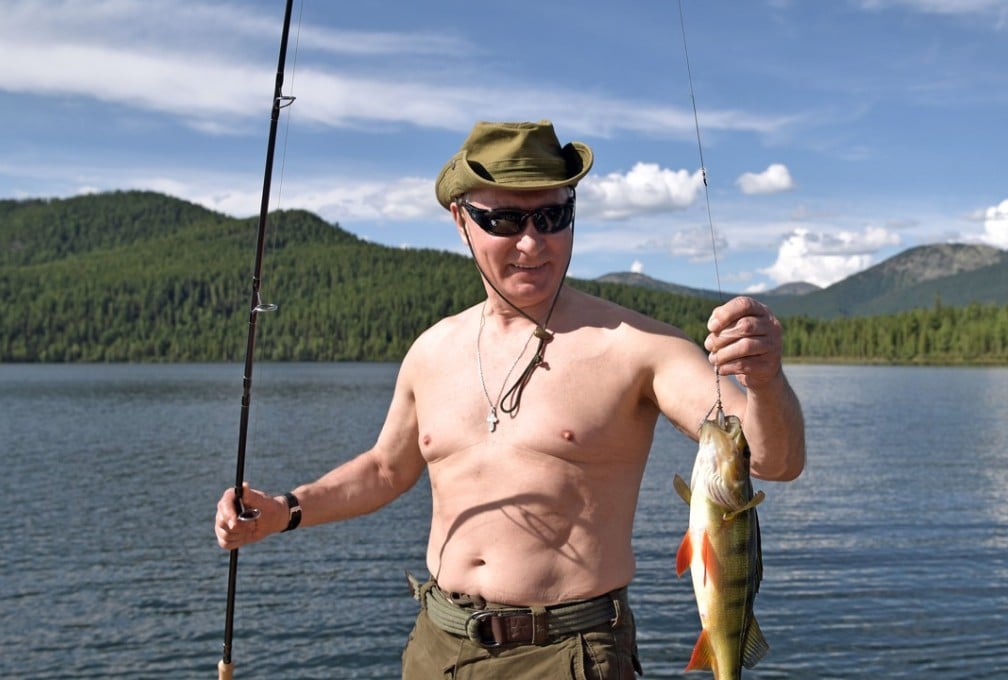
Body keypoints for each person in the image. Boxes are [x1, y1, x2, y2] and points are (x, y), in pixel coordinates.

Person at [215, 120, 805, 679]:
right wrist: (285, 509)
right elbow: (385, 469)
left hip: (571, 655)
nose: (533, 242)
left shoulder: (640, 347)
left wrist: (766, 379)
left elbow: (773, 461)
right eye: (504, 221)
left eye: (554, 215)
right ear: (460, 220)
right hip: (437, 646)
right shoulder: (432, 349)